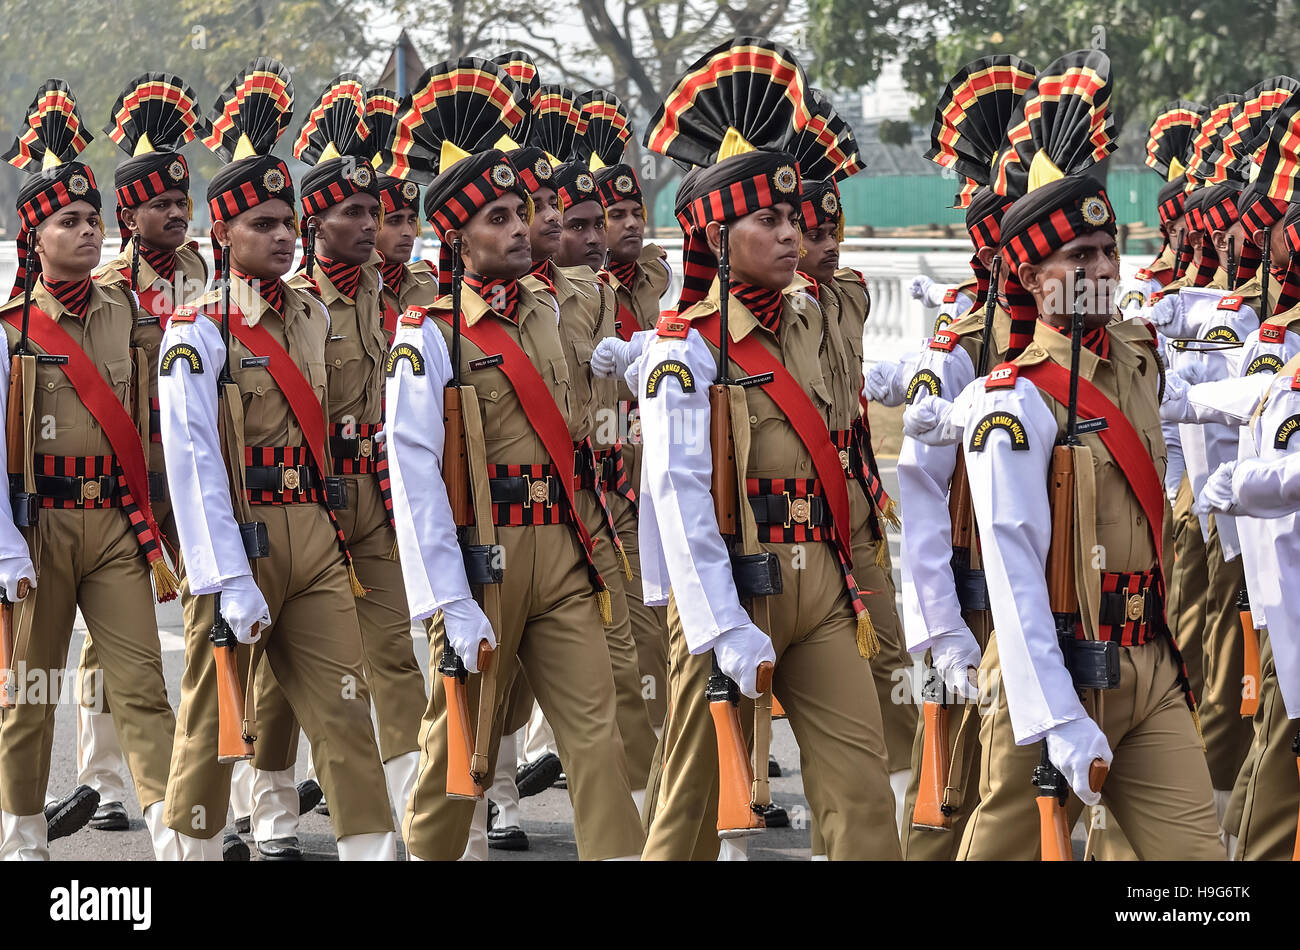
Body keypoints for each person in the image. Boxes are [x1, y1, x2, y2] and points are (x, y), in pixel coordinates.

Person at [915, 50, 1224, 860]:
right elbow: (1014, 576)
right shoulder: (1011, 403)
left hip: (1147, 662)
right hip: (1042, 668)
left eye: (1106, 250)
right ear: (1031, 274)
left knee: (1198, 869)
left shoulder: (1138, 357)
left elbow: (1200, 383)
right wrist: (1053, 713)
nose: (1099, 269)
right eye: (1075, 258)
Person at [632, 37, 901, 861]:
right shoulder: (684, 351)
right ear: (715, 234)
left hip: (820, 579)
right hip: (731, 583)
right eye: (770, 220)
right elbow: (676, 495)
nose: (791, 236)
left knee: (860, 787)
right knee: (692, 804)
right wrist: (718, 625)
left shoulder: (813, 316)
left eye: (794, 220)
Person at [383, 56, 645, 861]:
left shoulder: (555, 306)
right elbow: (413, 475)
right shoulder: (426, 336)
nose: (518, 228)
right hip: (480, 563)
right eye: (496, 217)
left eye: (521, 212)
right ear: (455, 236)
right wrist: (444, 601)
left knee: (597, 730)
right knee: (457, 749)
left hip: (564, 549)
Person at [157, 57, 395, 861]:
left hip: (314, 533)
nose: (284, 235)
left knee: (343, 701)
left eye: (289, 221)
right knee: (213, 716)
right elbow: (192, 466)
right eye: (262, 223)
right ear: (219, 235)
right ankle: (189, 847)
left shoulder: (309, 316)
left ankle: (368, 843)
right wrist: (221, 574)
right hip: (241, 537)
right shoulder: (196, 331)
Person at [0, 79, 183, 860]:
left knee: (141, 685)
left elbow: (153, 425)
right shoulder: (11, 330)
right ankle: (23, 836)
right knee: (27, 695)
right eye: (67, 222)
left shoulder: (130, 314)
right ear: (34, 239)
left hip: (114, 525)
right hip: (38, 528)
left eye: (92, 220)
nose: (86, 232)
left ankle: (179, 835)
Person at [42, 71, 211, 838]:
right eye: (160, 204)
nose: (175, 214)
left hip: (191, 473)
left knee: (198, 621)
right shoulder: (107, 285)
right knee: (113, 634)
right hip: (125, 474)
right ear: (129, 215)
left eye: (183, 202)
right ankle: (107, 778)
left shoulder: (210, 279)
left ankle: (204, 779)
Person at [887, 54, 1036, 860]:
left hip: (1062, 599)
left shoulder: (1089, 345)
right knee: (952, 792)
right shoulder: (960, 346)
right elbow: (918, 495)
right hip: (974, 604)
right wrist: (942, 631)